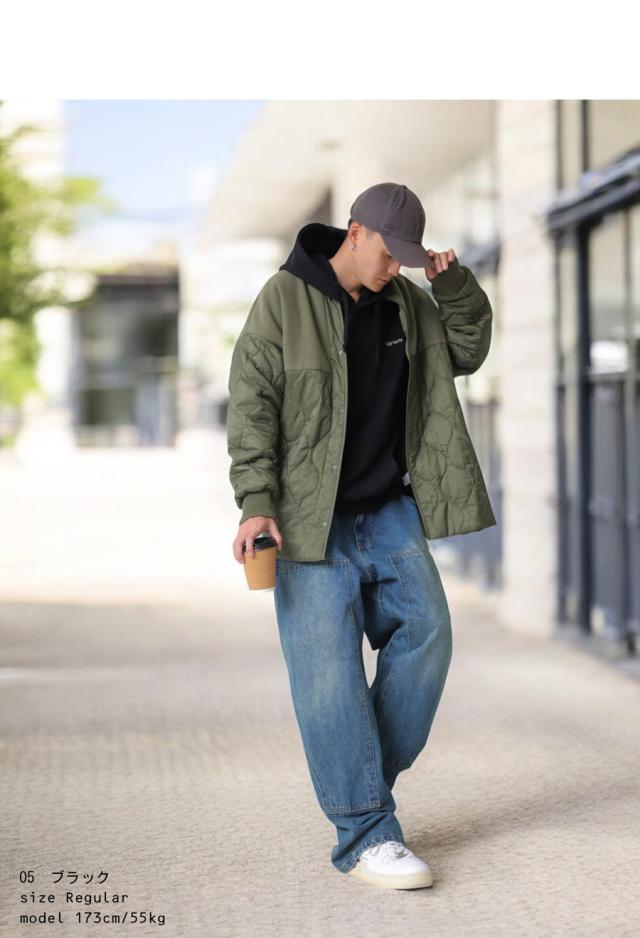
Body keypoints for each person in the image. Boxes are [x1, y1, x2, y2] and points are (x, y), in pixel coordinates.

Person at [227, 182, 496, 890]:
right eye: (387, 252)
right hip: (308, 522)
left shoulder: (409, 303)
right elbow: (252, 405)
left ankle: (358, 782)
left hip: (389, 509)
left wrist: (453, 287)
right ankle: (366, 834)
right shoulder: (283, 300)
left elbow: (466, 352)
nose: (394, 266)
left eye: (406, 256)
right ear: (354, 233)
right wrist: (255, 502)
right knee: (328, 678)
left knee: (429, 635)